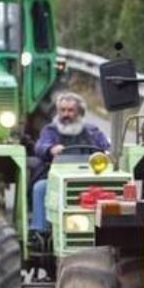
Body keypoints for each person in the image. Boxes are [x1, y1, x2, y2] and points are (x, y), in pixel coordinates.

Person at [30, 92, 110, 232]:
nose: (66, 114)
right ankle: (40, 233)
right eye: (62, 110)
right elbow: (40, 147)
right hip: (55, 180)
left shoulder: (92, 131)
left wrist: (106, 153)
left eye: (70, 110)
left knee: (110, 192)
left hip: (89, 179)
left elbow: (106, 148)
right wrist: (50, 149)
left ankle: (105, 231)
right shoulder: (50, 130)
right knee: (40, 188)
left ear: (79, 112)